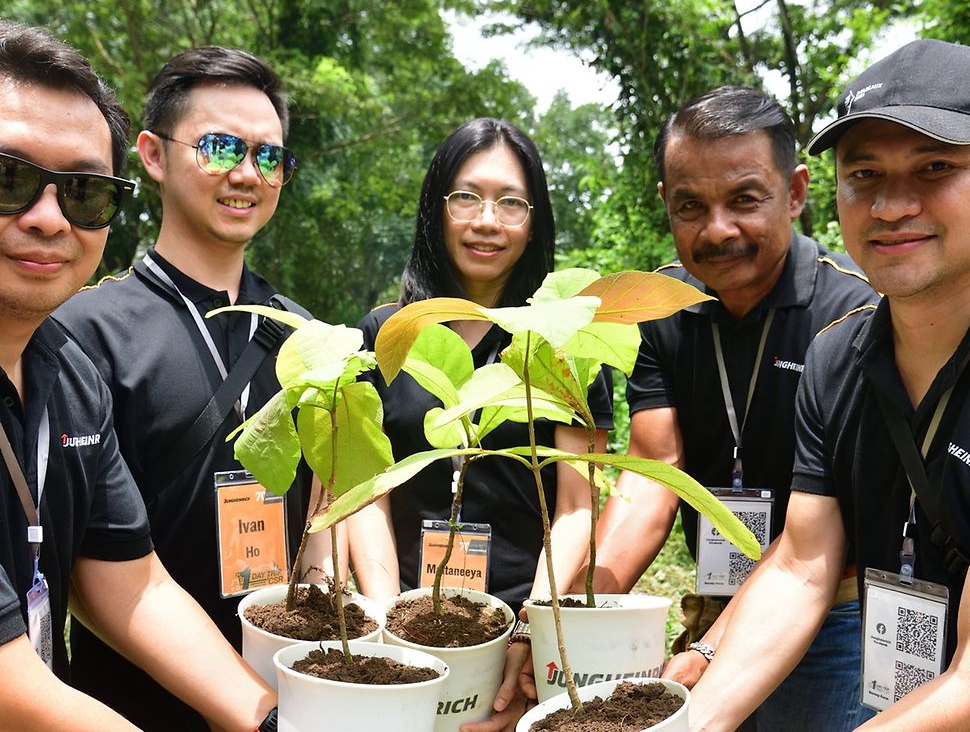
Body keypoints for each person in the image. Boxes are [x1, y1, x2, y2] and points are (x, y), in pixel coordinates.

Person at [0, 19, 277, 731]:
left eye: (83, 192)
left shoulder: (66, 377)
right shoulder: (100, 332)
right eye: (8, 178)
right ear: (157, 160)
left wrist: (270, 718)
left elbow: (132, 582)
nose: (47, 218)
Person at [687, 38, 970, 731]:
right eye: (864, 174)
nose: (893, 205)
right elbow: (804, 565)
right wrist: (695, 720)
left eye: (935, 167)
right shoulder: (836, 358)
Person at [581, 86, 877, 730]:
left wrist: (718, 646)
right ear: (666, 205)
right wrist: (577, 611)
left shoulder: (855, 311)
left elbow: (829, 534)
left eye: (744, 199)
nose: (717, 230)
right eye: (691, 206)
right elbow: (652, 472)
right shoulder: (660, 309)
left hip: (836, 613)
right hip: (716, 605)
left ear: (795, 192)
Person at [52, 46, 328, 728]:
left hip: (290, 693)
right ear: (151, 154)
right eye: (221, 147)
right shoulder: (79, 332)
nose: (247, 174)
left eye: (270, 158)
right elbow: (90, 567)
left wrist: (323, 599)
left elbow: (322, 504)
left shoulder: (307, 336)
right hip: (131, 703)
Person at [348, 117, 614, 730]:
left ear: (535, 220)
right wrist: (390, 624)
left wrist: (526, 630)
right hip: (406, 619)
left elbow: (576, 505)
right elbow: (367, 492)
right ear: (435, 209)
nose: (487, 220)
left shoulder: (562, 343)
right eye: (466, 196)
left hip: (520, 624)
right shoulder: (388, 334)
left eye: (511, 203)